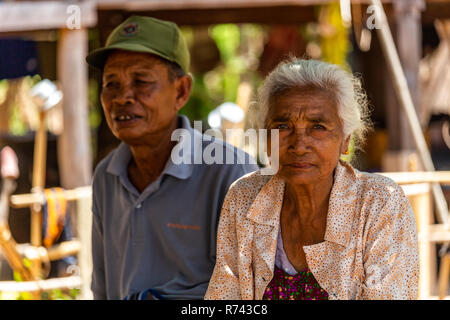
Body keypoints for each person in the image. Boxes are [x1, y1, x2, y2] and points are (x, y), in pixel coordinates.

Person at [205, 58, 420, 300]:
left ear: (345, 139)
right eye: (283, 126)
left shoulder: (379, 204)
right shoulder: (244, 197)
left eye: (318, 126)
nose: (298, 145)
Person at [85, 16, 258, 300]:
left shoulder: (230, 172)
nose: (122, 97)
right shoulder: (107, 176)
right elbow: (102, 287)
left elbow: (246, 291)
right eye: (111, 83)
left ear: (181, 91)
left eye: (141, 81)